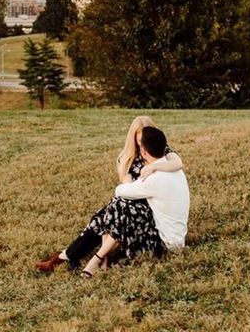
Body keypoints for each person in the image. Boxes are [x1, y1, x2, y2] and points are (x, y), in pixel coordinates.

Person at [35, 116, 184, 274]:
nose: (141, 144)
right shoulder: (126, 157)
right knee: (103, 217)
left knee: (113, 211)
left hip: (149, 208)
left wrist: (155, 167)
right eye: (139, 140)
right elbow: (125, 186)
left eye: (143, 140)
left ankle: (69, 257)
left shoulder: (158, 149)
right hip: (131, 201)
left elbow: (178, 163)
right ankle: (69, 256)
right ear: (133, 138)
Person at [79, 125, 190, 277]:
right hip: (175, 237)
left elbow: (120, 191)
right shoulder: (174, 170)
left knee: (119, 203)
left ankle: (97, 258)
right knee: (122, 207)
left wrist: (127, 181)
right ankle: (102, 259)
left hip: (164, 244)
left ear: (143, 151)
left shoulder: (154, 178)